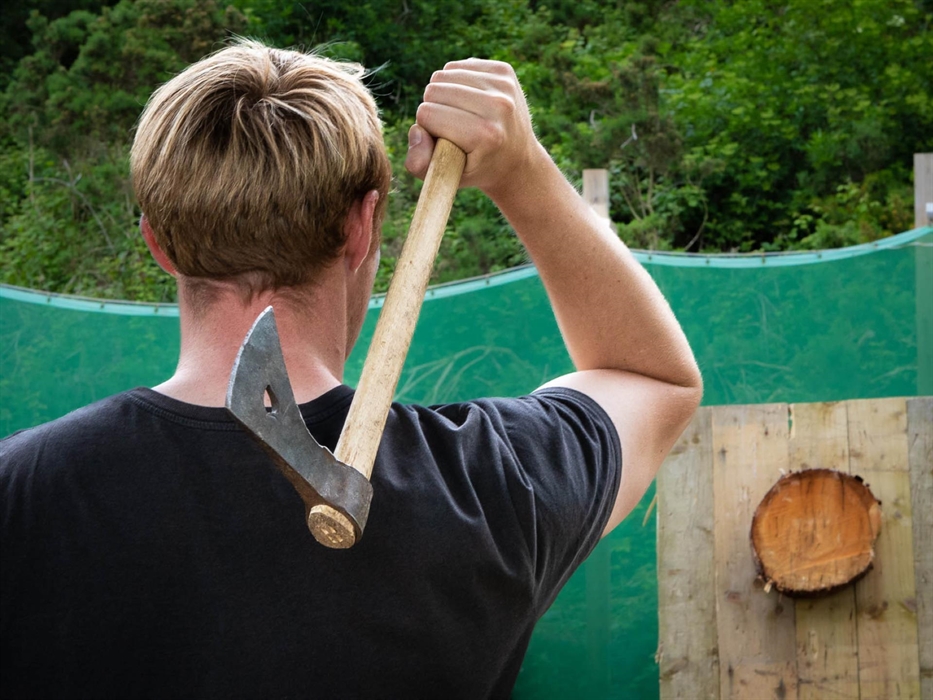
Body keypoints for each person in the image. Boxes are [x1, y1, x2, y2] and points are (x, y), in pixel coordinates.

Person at [0, 40, 702, 698]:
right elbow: (651, 378)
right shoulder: (487, 484)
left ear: (158, 242)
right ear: (360, 228)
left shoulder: (20, 492)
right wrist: (521, 172)